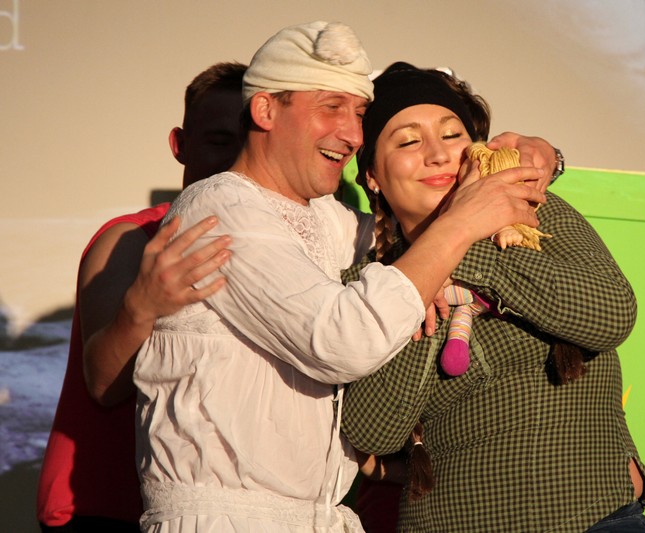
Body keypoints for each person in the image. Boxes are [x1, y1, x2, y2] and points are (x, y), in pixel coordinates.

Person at [133, 21, 548, 532]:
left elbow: (412, 229)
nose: (352, 135)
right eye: (331, 108)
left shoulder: (328, 219)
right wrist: (458, 227)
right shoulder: (219, 208)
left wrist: (535, 156)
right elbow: (341, 339)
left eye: (359, 113)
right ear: (265, 110)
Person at [341, 62, 645, 532]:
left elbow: (611, 313)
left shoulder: (535, 212)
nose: (437, 155)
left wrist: (465, 252)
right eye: (407, 142)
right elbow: (373, 428)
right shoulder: (371, 281)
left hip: (595, 520)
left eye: (452, 136)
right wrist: (427, 271)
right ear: (373, 177)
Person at [36, 62, 246, 532]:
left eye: (248, 143)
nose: (235, 158)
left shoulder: (275, 249)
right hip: (102, 508)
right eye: (219, 141)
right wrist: (145, 306)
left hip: (204, 511)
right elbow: (104, 385)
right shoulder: (131, 238)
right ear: (180, 144)